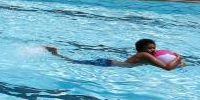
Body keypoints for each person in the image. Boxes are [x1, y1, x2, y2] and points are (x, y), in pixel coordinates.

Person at [45, 38, 184, 71]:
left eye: (154, 48)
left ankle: (55, 53)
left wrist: (180, 63)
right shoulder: (144, 55)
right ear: (141, 50)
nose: (152, 51)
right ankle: (55, 53)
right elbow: (168, 68)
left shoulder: (148, 56)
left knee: (76, 62)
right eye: (149, 48)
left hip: (109, 63)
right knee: (73, 62)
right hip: (107, 63)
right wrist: (178, 58)